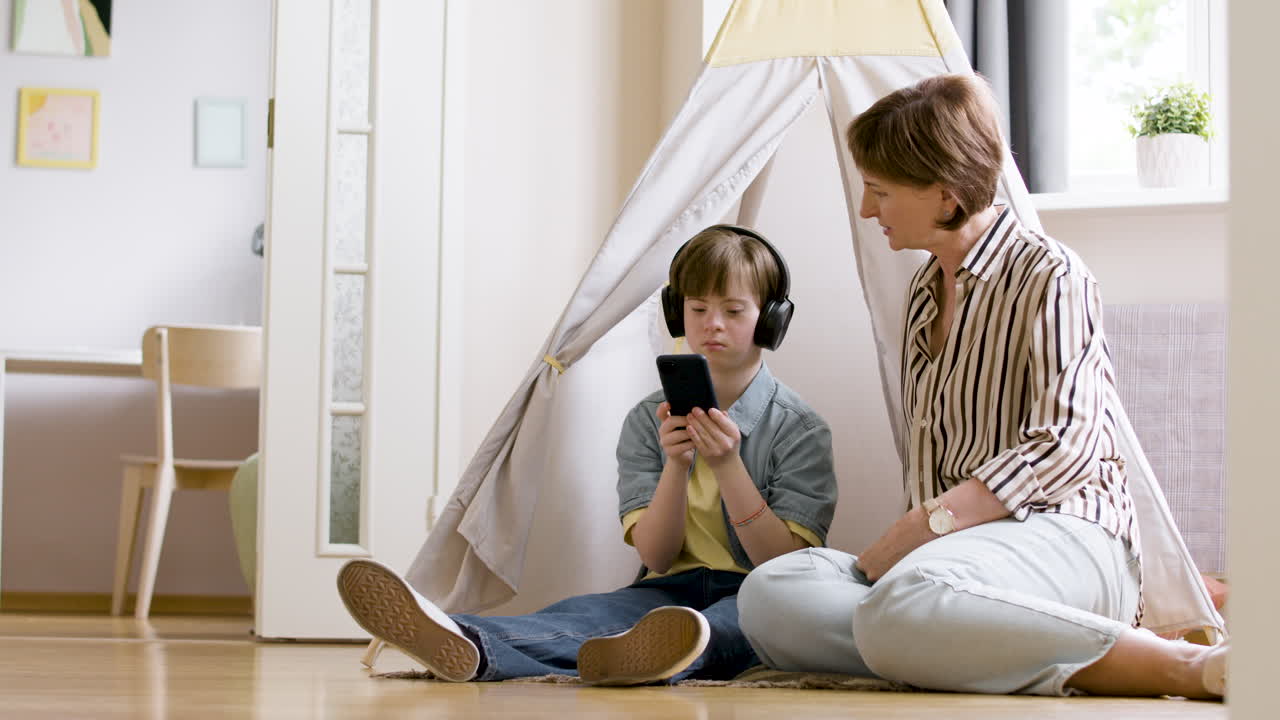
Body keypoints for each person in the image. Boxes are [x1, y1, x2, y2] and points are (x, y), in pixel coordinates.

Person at [736, 73, 1228, 699]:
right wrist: (929, 544)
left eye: (879, 191)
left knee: (902, 607)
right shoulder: (922, 292)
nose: (867, 209)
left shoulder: (1050, 273)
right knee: (772, 594)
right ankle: (961, 643)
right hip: (957, 561)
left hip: (1069, 535)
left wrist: (925, 526)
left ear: (945, 197)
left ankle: (1176, 665)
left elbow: (1065, 445)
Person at [337, 225, 838, 685]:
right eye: (698, 308)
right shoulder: (649, 420)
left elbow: (782, 564)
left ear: (771, 321)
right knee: (583, 616)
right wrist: (677, 465)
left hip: (757, 594)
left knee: (721, 629)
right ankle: (466, 638)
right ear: (675, 311)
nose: (712, 325)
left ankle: (651, 654)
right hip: (667, 589)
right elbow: (656, 556)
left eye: (733, 311)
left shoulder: (799, 428)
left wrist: (728, 467)